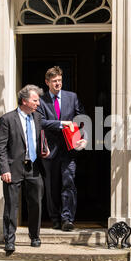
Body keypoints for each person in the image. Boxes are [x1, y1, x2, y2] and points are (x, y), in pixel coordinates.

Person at [37, 66, 87, 232]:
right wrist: (61, 124)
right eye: (54, 81)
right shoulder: (41, 101)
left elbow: (81, 119)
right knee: (52, 187)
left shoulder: (72, 97)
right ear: (47, 82)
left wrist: (84, 138)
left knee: (69, 182)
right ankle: (55, 218)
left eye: (59, 80)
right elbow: (40, 122)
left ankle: (67, 219)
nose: (57, 83)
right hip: (50, 151)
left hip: (69, 148)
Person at [0, 85, 45, 253]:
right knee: (11, 205)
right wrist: (4, 169)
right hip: (13, 168)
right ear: (24, 101)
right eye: (35, 100)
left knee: (36, 203)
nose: (38, 103)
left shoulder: (38, 118)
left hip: (34, 167)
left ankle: (35, 236)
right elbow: (0, 147)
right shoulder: (7, 119)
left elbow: (40, 139)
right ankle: (9, 240)